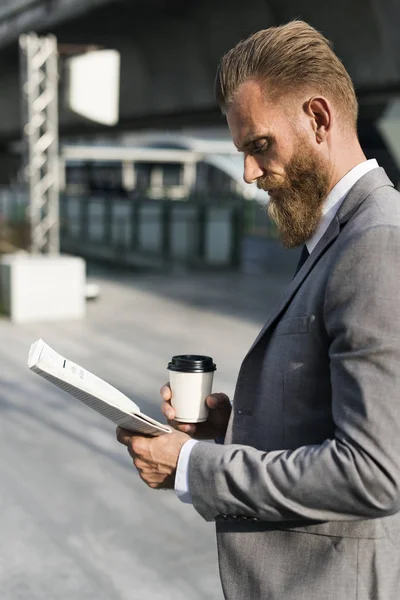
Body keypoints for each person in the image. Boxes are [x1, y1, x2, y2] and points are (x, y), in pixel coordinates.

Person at [117, 20, 400, 600]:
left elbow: (373, 472)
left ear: (318, 119)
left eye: (260, 145)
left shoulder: (376, 243)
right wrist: (237, 426)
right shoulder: (340, 237)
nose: (248, 174)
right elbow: (340, 416)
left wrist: (192, 465)